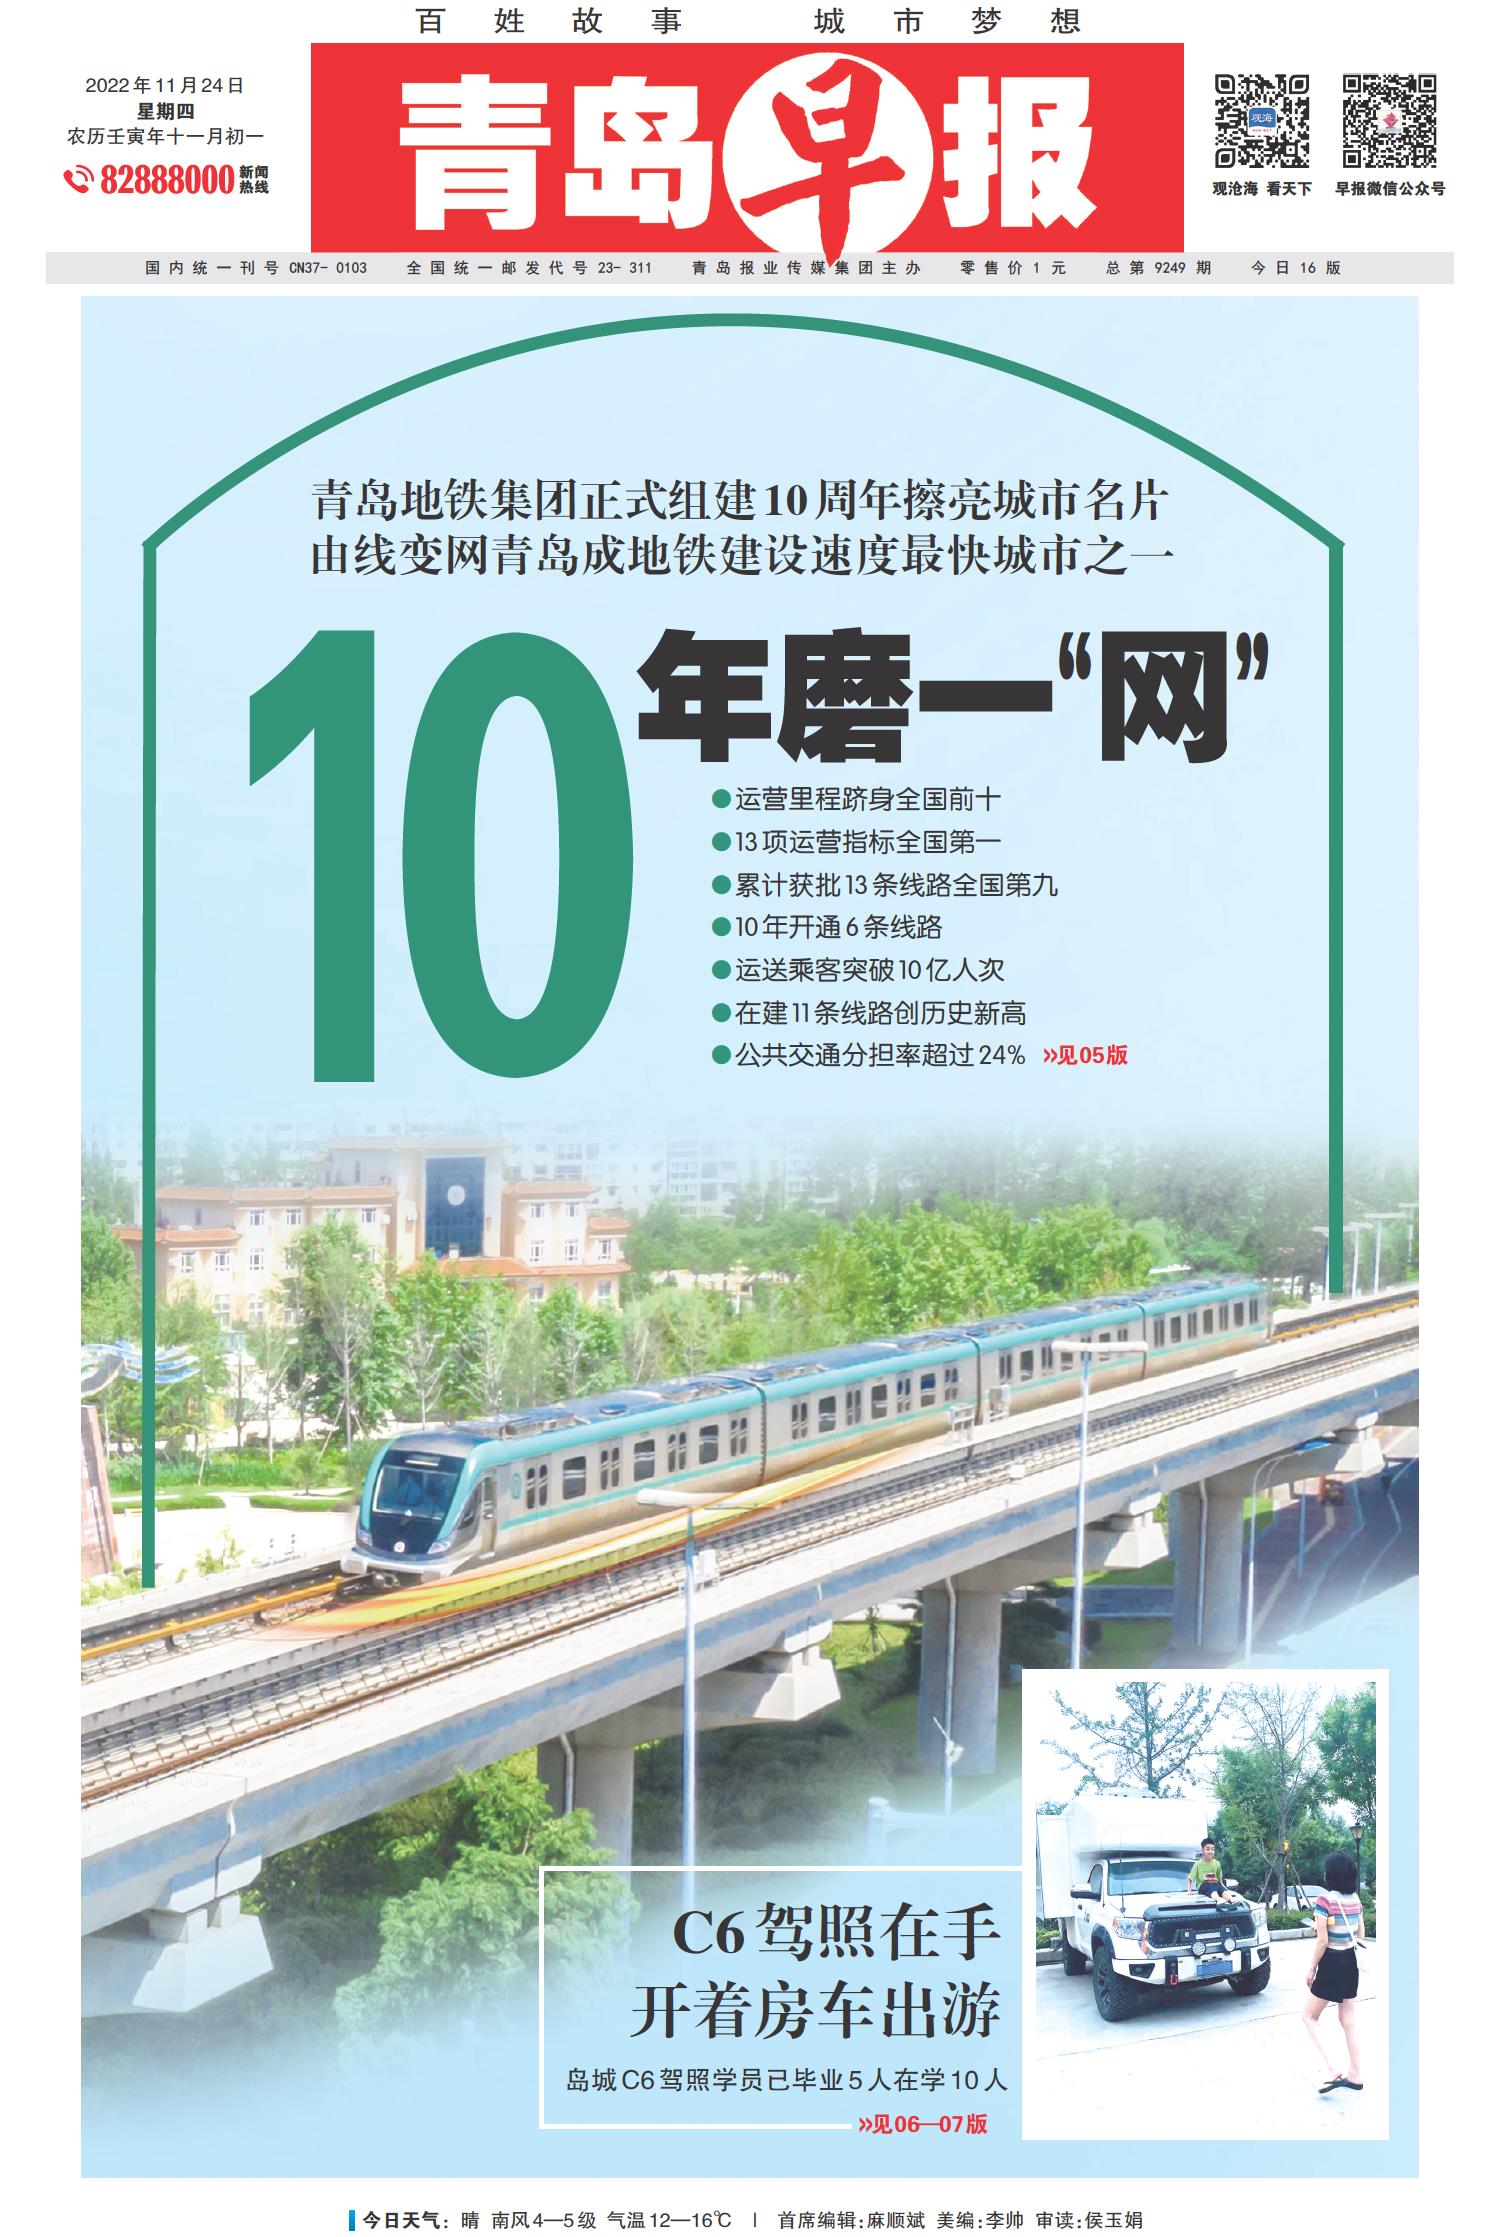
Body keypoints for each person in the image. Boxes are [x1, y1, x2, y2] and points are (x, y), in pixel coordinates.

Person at [1302, 1850, 1366, 2093]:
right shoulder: (1356, 1899)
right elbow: (1360, 1933)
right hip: (1350, 1960)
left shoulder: (1325, 1900)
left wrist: (1311, 1969)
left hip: (1331, 1962)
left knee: (1309, 2016)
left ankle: (1332, 2069)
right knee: (1348, 2021)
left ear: (1331, 1874)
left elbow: (1322, 1942)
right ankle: (1356, 2075)